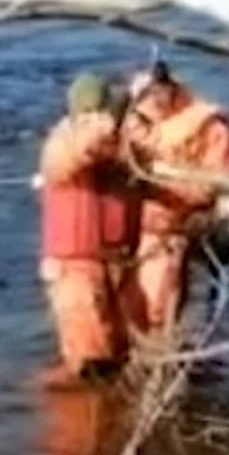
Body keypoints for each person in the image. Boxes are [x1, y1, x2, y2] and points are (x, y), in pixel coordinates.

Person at [123, 61, 229, 332]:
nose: (156, 100)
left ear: (171, 88)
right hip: (135, 229)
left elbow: (212, 183)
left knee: (159, 305)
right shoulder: (136, 119)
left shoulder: (207, 125)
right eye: (150, 94)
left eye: (160, 92)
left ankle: (161, 353)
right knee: (129, 304)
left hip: (175, 226)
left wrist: (168, 182)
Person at [37, 74, 140, 386]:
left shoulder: (118, 145)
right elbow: (86, 145)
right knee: (88, 356)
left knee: (119, 349)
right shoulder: (63, 142)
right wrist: (114, 112)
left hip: (115, 259)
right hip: (75, 263)